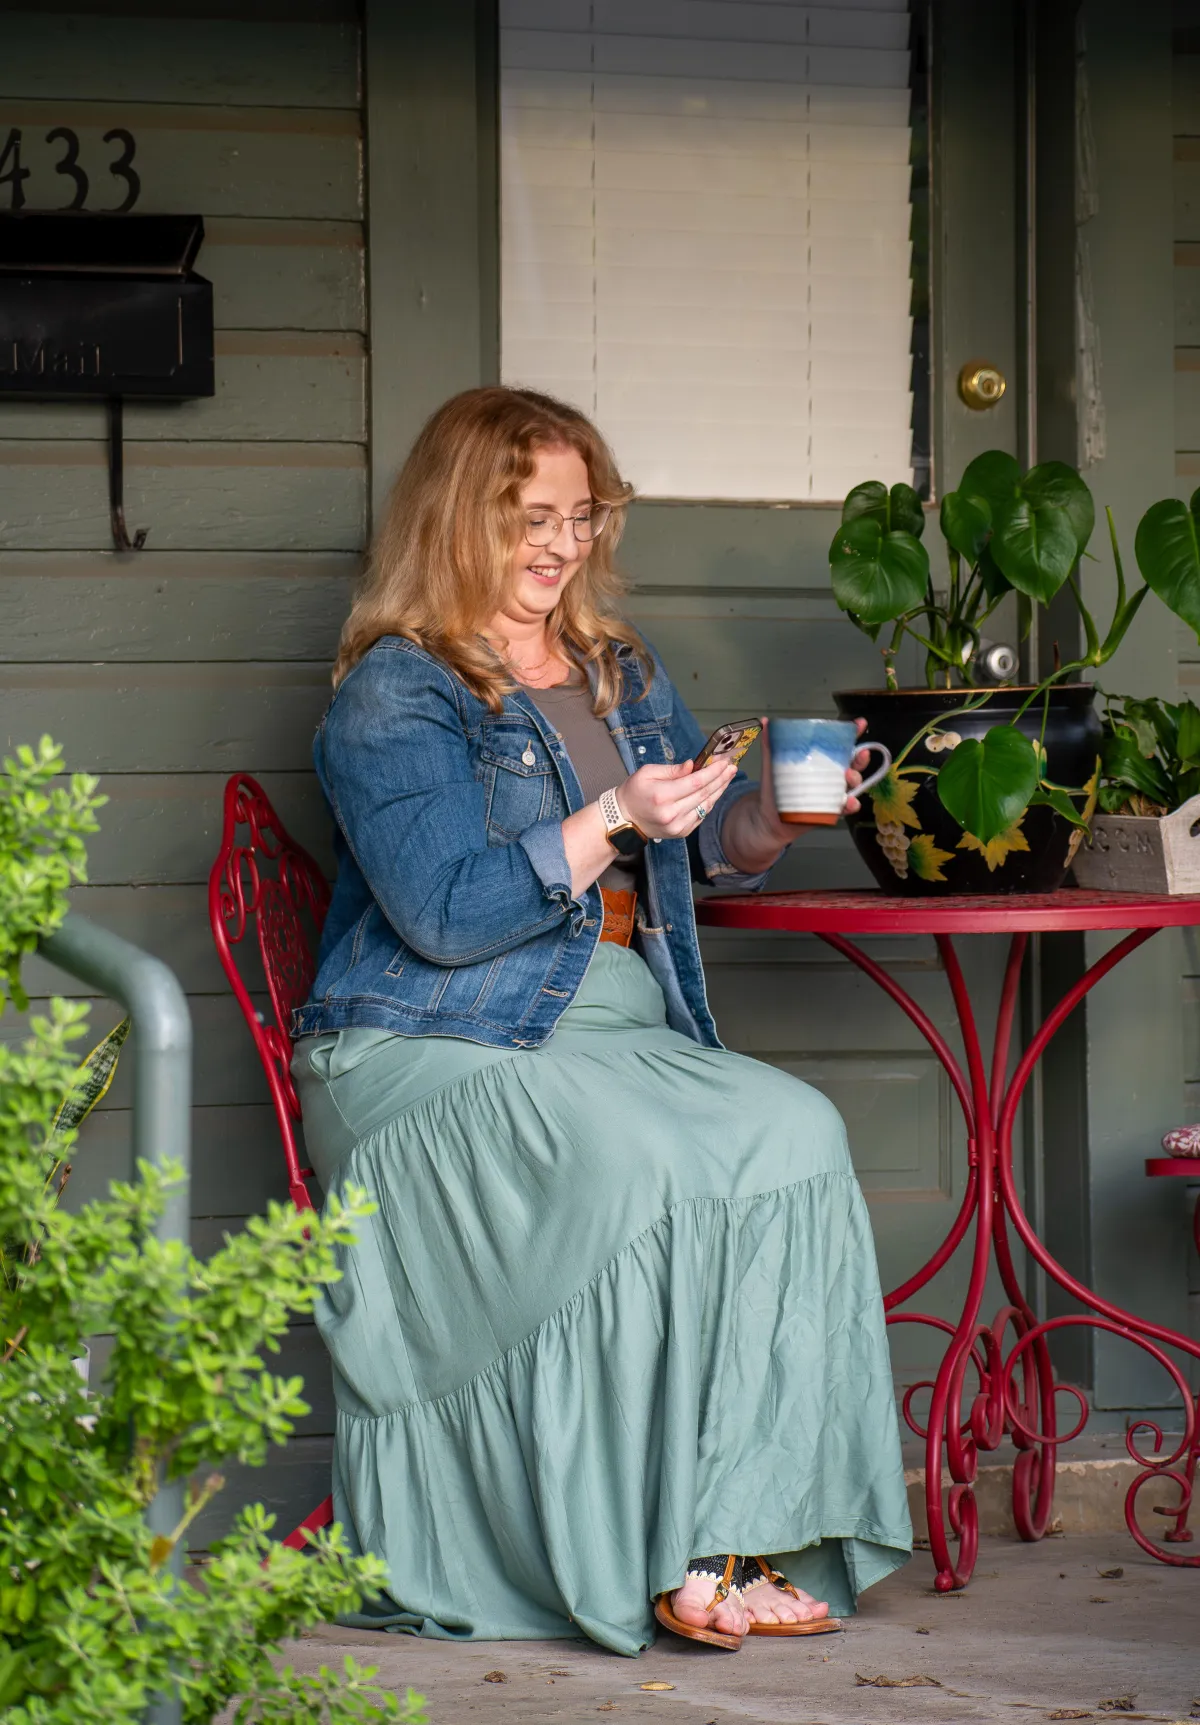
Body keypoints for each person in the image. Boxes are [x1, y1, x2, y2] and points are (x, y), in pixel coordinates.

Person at [291, 386, 911, 1656]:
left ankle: (733, 1536)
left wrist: (782, 813)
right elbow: (448, 917)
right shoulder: (396, 694)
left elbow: (706, 850)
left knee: (796, 1130)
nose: (563, 544)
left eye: (582, 515)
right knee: (646, 1167)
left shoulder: (617, 669)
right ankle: (642, 1545)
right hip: (432, 1038)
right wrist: (616, 816)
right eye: (532, 517)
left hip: (609, 1020)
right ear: (459, 520)